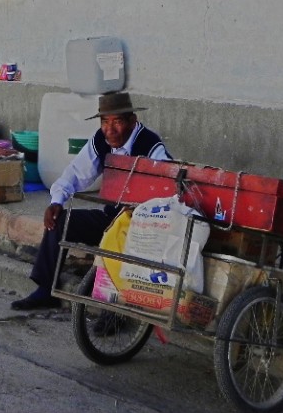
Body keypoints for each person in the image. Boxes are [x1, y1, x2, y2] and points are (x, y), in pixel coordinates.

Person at [10, 91, 173, 310]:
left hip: (138, 226)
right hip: (110, 218)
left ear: (132, 121)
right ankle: (45, 290)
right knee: (60, 221)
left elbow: (169, 188)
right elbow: (76, 172)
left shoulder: (151, 145)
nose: (109, 129)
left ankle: (117, 313)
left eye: (117, 122)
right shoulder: (101, 140)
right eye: (105, 121)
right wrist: (56, 201)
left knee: (125, 244)